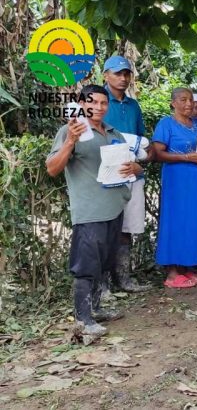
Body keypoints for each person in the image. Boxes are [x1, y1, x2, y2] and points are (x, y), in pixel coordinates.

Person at [46, 85, 141, 336]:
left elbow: (135, 166)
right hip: (90, 211)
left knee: (104, 261)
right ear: (81, 103)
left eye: (103, 103)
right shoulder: (70, 131)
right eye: (92, 103)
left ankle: (96, 309)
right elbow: (52, 169)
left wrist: (134, 168)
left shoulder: (113, 132)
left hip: (114, 208)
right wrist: (70, 142)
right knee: (86, 265)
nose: (98, 108)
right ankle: (83, 320)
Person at [152, 88, 197, 288]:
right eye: (183, 100)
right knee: (176, 221)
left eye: (190, 100)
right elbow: (157, 154)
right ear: (173, 103)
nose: (188, 104)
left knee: (194, 221)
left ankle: (186, 266)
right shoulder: (166, 124)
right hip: (178, 181)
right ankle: (171, 272)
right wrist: (187, 157)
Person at [101, 55, 151, 293]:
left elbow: (143, 142)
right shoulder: (96, 100)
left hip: (132, 173)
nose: (123, 78)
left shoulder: (133, 105)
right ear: (105, 75)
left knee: (126, 228)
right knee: (105, 228)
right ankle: (102, 286)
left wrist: (140, 164)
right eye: (117, 73)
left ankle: (124, 279)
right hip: (105, 175)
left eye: (126, 73)